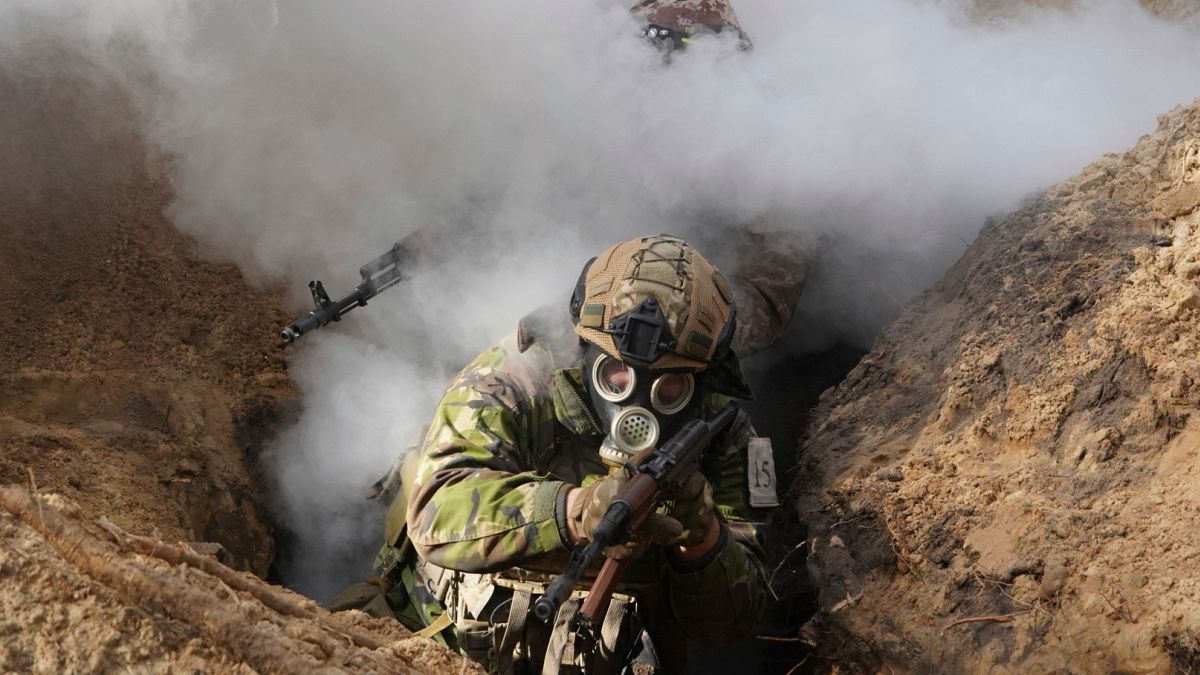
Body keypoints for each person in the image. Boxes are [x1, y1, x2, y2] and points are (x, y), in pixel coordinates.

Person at [343, 235, 774, 674]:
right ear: (581, 345)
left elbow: (733, 625)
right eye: (616, 373)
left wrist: (701, 537)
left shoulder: (721, 432)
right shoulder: (512, 381)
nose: (636, 401)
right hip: (435, 640)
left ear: (703, 378)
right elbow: (436, 513)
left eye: (670, 386)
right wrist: (573, 512)